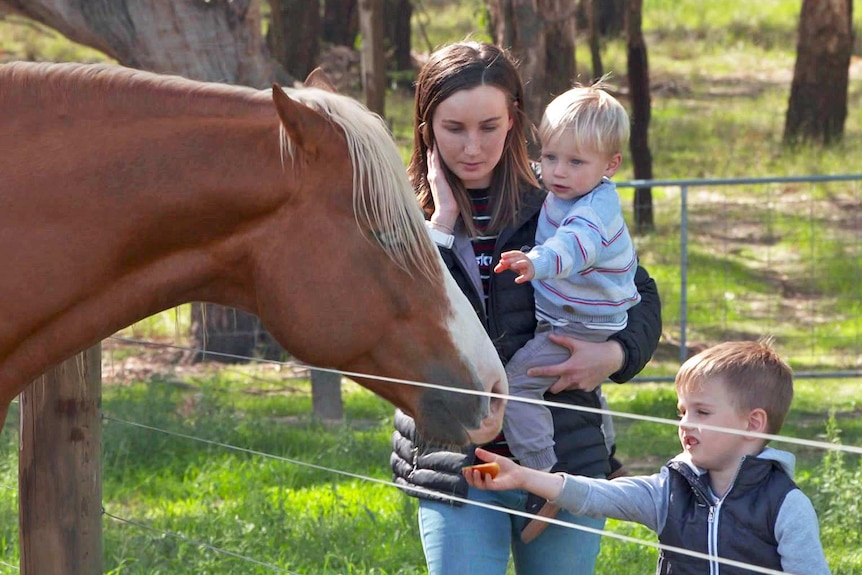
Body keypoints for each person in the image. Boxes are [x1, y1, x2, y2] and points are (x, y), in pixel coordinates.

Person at [390, 41, 662, 575]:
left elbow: (641, 296)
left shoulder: (561, 192)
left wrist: (611, 354)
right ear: (426, 127)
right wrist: (441, 222)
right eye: (453, 129)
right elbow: (397, 316)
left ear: (515, 120)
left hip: (568, 458)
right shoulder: (396, 212)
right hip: (453, 462)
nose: (472, 147)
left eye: (489, 127)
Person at [464, 340, 831, 575]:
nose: (686, 423)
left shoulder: (785, 504)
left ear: (752, 424)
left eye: (702, 412)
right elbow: (594, 494)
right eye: (681, 412)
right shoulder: (667, 491)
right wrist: (523, 476)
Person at [494, 82, 639, 526]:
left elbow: (571, 248)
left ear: (610, 165)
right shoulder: (571, 186)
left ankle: (543, 475)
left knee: (518, 384)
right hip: (587, 314)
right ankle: (609, 457)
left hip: (579, 323)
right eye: (551, 156)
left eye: (576, 162)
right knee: (585, 386)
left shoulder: (593, 213)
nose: (557, 171)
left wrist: (534, 263)